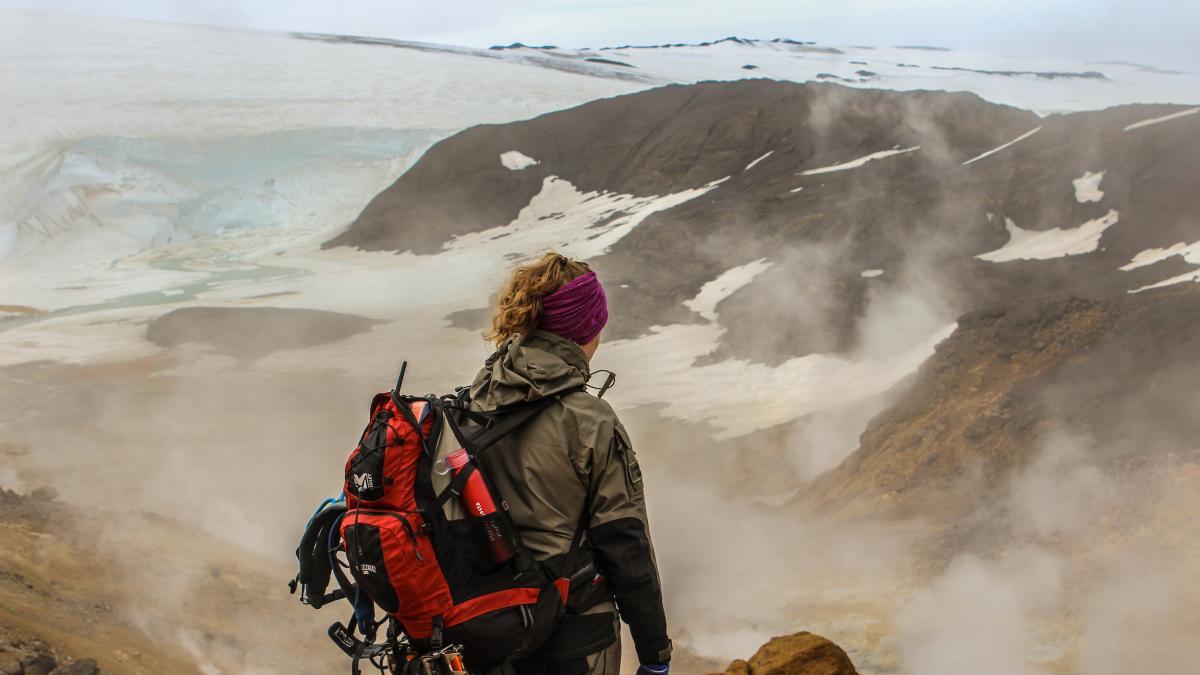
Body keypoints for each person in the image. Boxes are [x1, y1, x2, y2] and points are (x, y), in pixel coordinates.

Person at [468, 252, 671, 675]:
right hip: (573, 637)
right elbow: (625, 544)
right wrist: (655, 655)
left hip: (485, 635)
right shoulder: (589, 421)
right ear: (587, 330)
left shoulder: (472, 403)